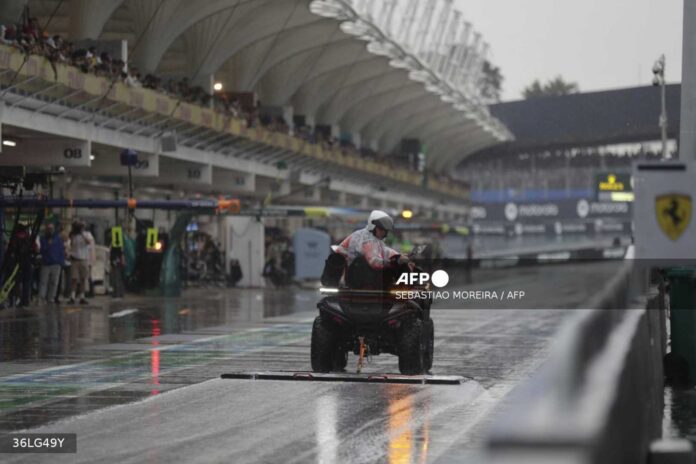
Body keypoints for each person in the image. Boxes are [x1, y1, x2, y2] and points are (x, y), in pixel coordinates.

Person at [333, 210, 414, 289]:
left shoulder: (367, 236)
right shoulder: (367, 239)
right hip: (360, 280)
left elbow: (385, 251)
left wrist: (399, 256)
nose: (384, 232)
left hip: (358, 278)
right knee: (395, 266)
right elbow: (374, 262)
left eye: (385, 230)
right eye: (381, 229)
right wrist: (396, 261)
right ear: (373, 226)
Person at [68, 221, 93, 305]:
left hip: (83, 259)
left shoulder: (87, 234)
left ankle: (82, 297)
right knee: (74, 279)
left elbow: (89, 242)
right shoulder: (73, 235)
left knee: (83, 279)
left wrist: (82, 234)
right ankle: (72, 297)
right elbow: (70, 244)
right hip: (75, 259)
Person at [39, 223, 65, 304]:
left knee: (54, 282)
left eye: (51, 229)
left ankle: (51, 298)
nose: (50, 230)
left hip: (56, 263)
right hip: (46, 263)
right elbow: (42, 250)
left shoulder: (57, 238)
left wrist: (61, 262)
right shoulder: (43, 239)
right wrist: (48, 245)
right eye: (48, 228)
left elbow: (61, 250)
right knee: (44, 281)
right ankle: (42, 298)